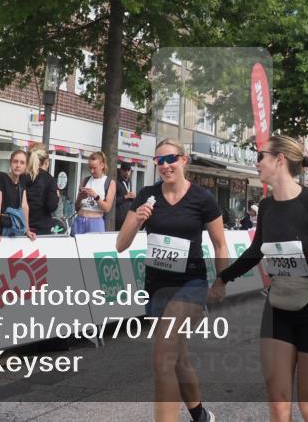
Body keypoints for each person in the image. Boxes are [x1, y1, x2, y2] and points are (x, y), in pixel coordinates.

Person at [208, 135, 308, 422]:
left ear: (279, 160)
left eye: (260, 157)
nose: (256, 164)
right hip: (278, 308)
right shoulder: (266, 207)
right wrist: (223, 279)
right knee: (278, 405)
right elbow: (256, 251)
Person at [117, 138, 228, 422]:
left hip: (191, 284)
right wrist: (138, 220)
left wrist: (221, 282)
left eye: (171, 159)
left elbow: (219, 245)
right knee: (178, 359)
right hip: (157, 286)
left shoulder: (202, 198)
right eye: (160, 161)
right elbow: (121, 244)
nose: (165, 166)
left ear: (184, 160)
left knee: (162, 357)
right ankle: (200, 415)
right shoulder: (146, 195)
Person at [0, 150, 36, 242]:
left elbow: (24, 206)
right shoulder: (1, 177)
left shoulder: (22, 181)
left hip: (12, 228)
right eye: (15, 161)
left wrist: (27, 230)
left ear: (26, 166)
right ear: (10, 162)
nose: (18, 165)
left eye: (22, 163)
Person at [73, 151, 116, 235]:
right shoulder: (84, 180)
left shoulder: (109, 182)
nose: (92, 171)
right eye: (90, 168)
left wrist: (96, 196)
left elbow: (107, 208)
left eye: (94, 168)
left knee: (94, 247)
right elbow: (76, 207)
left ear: (102, 166)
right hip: (80, 219)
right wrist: (80, 198)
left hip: (95, 222)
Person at [23, 144, 60, 235]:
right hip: (42, 227)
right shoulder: (49, 179)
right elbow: (51, 206)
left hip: (21, 225)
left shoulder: (22, 177)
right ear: (46, 162)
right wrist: (57, 197)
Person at [115, 161, 136, 230]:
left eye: (128, 170)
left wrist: (133, 197)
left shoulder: (129, 181)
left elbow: (129, 197)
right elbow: (112, 200)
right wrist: (125, 197)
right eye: (125, 170)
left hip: (128, 216)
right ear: (121, 170)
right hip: (118, 218)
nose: (127, 173)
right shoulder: (116, 182)